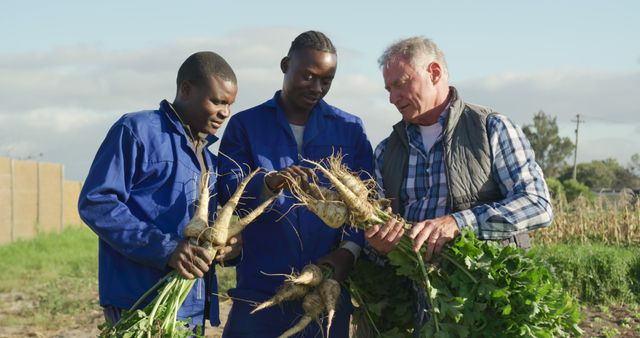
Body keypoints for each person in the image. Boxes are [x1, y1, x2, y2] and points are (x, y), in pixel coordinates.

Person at [217, 30, 374, 337]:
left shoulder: (349, 129)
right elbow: (226, 189)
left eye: (326, 80)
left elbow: (367, 203)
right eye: (308, 76)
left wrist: (349, 252)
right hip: (259, 290)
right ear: (285, 64)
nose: (317, 87)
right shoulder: (246, 125)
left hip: (325, 289)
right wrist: (269, 183)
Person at [78, 51, 241, 333]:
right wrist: (166, 248)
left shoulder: (208, 160)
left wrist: (228, 248)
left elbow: (204, 233)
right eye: (217, 101)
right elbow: (97, 202)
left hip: (189, 305)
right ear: (186, 90)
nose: (224, 113)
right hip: (138, 301)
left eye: (229, 105)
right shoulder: (136, 130)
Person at [365, 36, 553, 260]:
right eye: (389, 89)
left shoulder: (490, 128)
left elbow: (537, 204)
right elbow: (376, 236)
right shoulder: (386, 151)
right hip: (414, 288)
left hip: (483, 287)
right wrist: (379, 247)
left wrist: (458, 223)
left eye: (401, 83)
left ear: (434, 73)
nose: (392, 98)